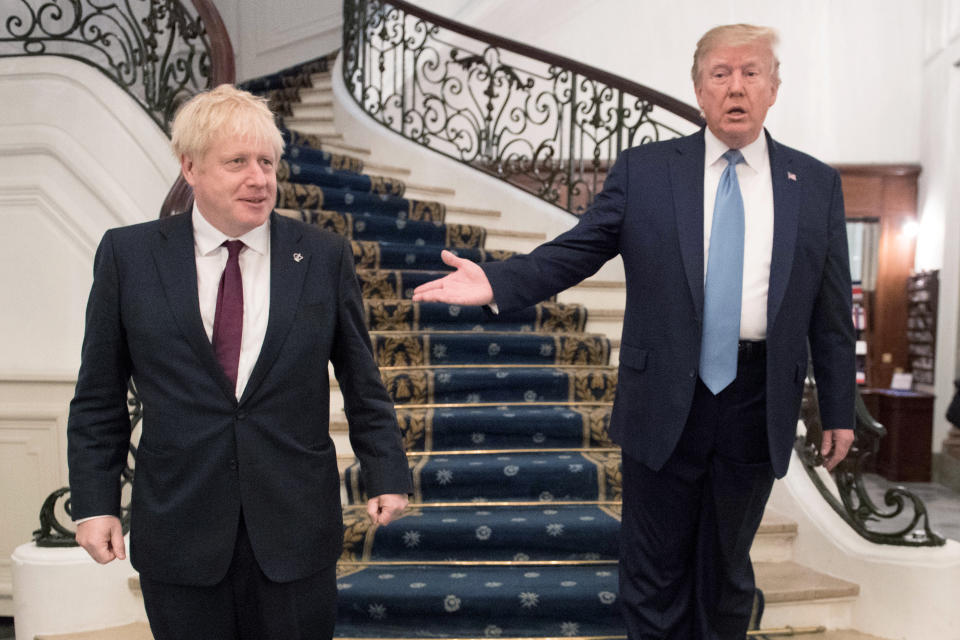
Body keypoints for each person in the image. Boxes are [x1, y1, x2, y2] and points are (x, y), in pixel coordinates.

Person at [413, 24, 855, 640]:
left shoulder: (815, 186)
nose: (736, 87)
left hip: (759, 400)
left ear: (774, 88)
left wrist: (839, 408)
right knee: (653, 572)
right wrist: (500, 282)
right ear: (698, 91)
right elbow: (579, 250)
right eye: (720, 74)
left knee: (727, 569)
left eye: (751, 73)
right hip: (666, 396)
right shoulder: (647, 172)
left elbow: (832, 314)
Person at [67, 84, 412, 640]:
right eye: (237, 162)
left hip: (294, 526)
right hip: (179, 525)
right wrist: (94, 503)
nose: (259, 178)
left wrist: (386, 472)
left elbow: (361, 380)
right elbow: (98, 396)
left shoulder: (321, 256)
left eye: (267, 162)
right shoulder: (127, 256)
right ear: (190, 167)